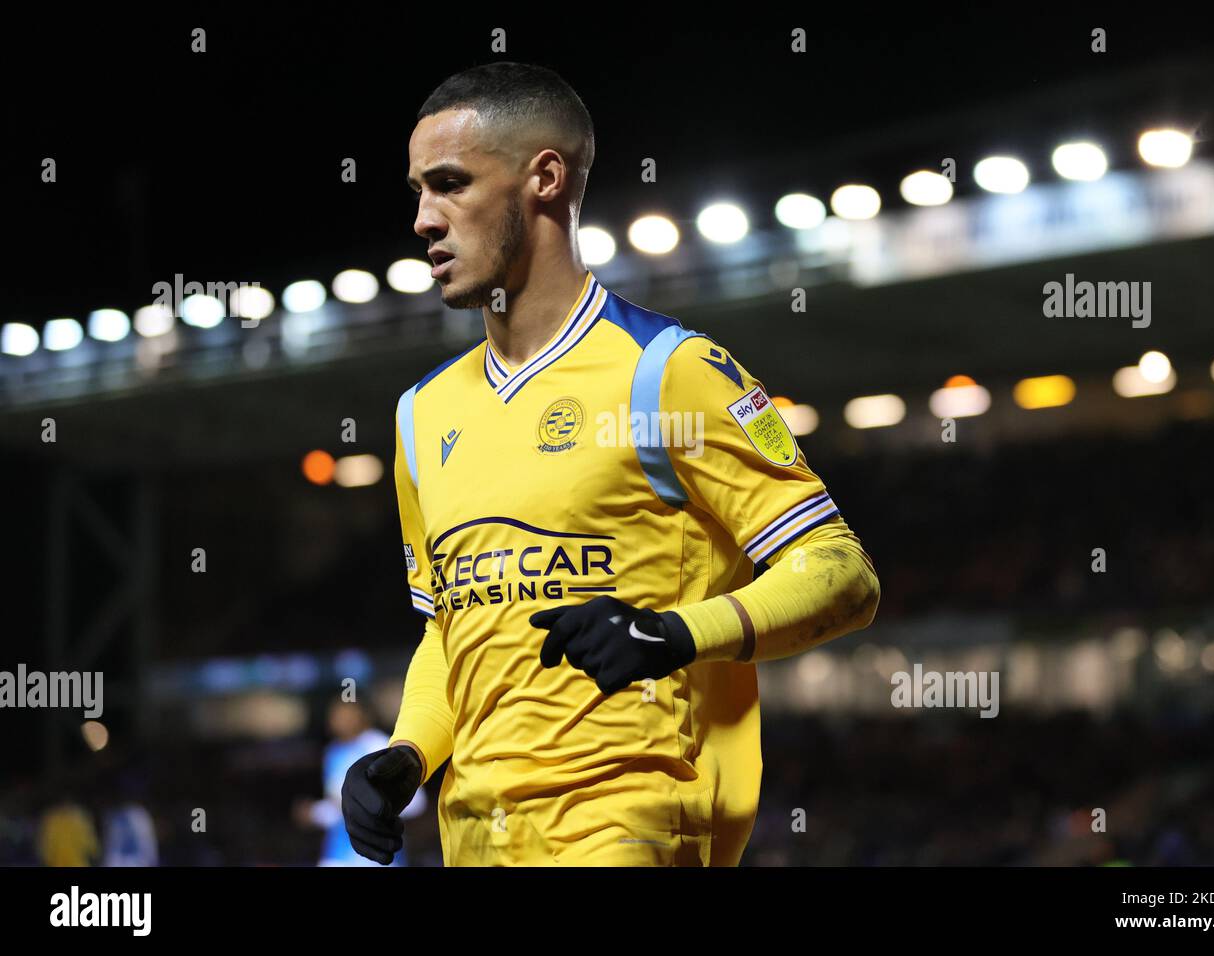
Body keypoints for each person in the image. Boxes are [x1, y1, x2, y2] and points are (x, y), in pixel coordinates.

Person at [343, 62, 880, 867]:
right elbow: (450, 628)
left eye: (449, 184)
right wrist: (410, 751)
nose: (423, 219)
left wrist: (673, 633)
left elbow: (842, 572)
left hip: (631, 826)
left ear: (545, 179)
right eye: (417, 190)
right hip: (473, 838)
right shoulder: (421, 416)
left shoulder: (668, 371)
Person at [298, 700, 426, 866]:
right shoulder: (333, 753)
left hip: (377, 856)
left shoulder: (379, 745)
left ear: (362, 714)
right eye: (336, 715)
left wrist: (377, 806)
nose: (340, 720)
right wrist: (315, 813)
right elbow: (340, 808)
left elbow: (417, 802)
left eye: (346, 713)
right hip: (338, 854)